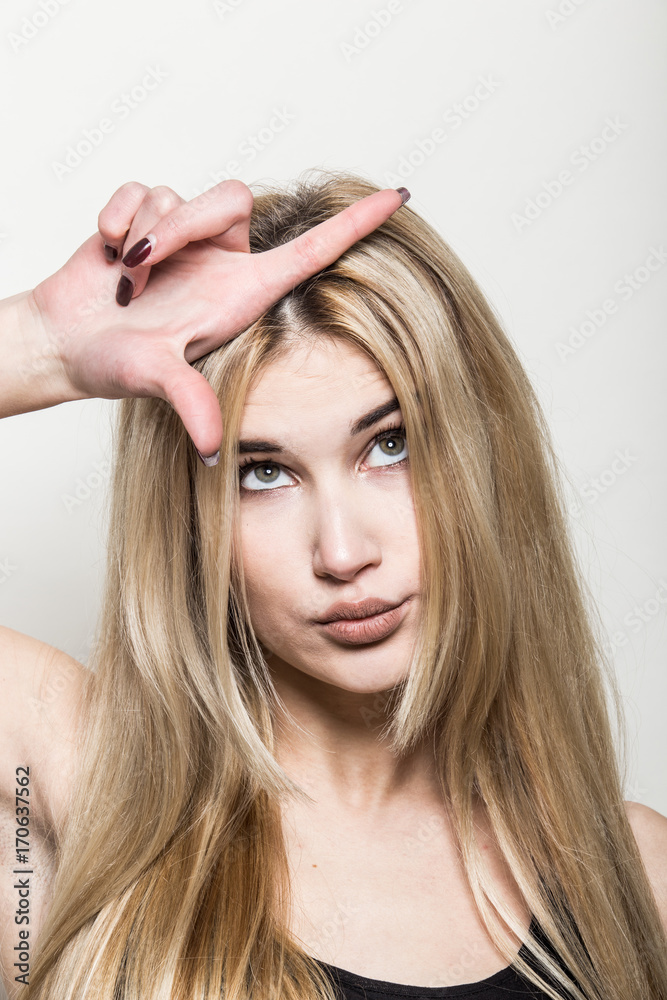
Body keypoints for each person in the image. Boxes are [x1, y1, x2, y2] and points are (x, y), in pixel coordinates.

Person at [0, 170, 665, 1000]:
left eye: (390, 445)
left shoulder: (636, 882)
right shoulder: (82, 790)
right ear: (190, 522)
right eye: (263, 473)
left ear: (485, 459)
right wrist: (41, 345)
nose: (342, 553)